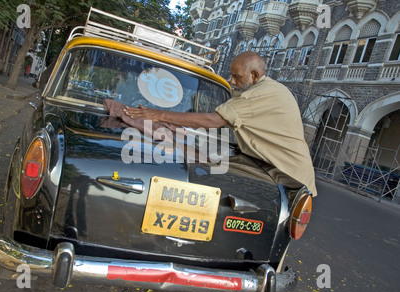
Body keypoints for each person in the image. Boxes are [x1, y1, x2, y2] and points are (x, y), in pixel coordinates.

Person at [125, 51, 317, 196]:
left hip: (289, 178)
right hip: (273, 169)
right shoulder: (269, 89)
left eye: (237, 77)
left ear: (255, 75)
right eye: (231, 75)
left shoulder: (258, 94)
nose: (232, 81)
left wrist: (158, 115)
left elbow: (213, 120)